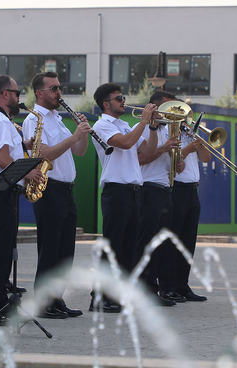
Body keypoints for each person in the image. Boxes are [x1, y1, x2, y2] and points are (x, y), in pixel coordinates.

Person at [22, 72, 91, 318]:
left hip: (66, 190)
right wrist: (74, 136)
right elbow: (44, 154)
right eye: (53, 89)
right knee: (50, 249)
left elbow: (79, 151)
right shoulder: (34, 119)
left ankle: (56, 299)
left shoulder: (58, 119)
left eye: (59, 88)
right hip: (49, 189)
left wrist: (82, 133)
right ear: (39, 93)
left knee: (65, 251)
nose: (59, 93)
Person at [0, 74, 43, 326]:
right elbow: (3, 159)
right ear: (5, 94)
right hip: (0, 190)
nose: (18, 98)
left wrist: (24, 144)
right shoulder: (1, 121)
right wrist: (29, 173)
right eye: (16, 93)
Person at [90, 82, 158, 312]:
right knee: (112, 248)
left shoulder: (124, 124)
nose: (123, 101)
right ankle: (100, 297)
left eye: (123, 97)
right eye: (118, 98)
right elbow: (127, 143)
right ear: (106, 104)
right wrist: (144, 121)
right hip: (116, 191)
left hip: (133, 191)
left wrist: (153, 128)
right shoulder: (102, 125)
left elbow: (148, 151)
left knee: (129, 249)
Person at [160, 103, 212, 303]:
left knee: (188, 241)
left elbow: (206, 158)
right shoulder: (169, 135)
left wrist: (200, 142)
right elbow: (170, 161)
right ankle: (168, 285)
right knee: (174, 241)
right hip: (177, 189)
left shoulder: (190, 135)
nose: (186, 121)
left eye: (187, 117)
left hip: (192, 190)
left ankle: (183, 284)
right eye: (182, 117)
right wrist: (188, 149)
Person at [137, 91, 182, 306]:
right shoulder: (144, 128)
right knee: (147, 243)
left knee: (160, 245)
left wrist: (178, 159)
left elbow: (173, 165)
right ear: (154, 108)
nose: (172, 112)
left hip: (165, 189)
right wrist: (164, 149)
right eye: (167, 108)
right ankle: (144, 291)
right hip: (149, 189)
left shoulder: (166, 130)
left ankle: (154, 289)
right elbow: (141, 159)